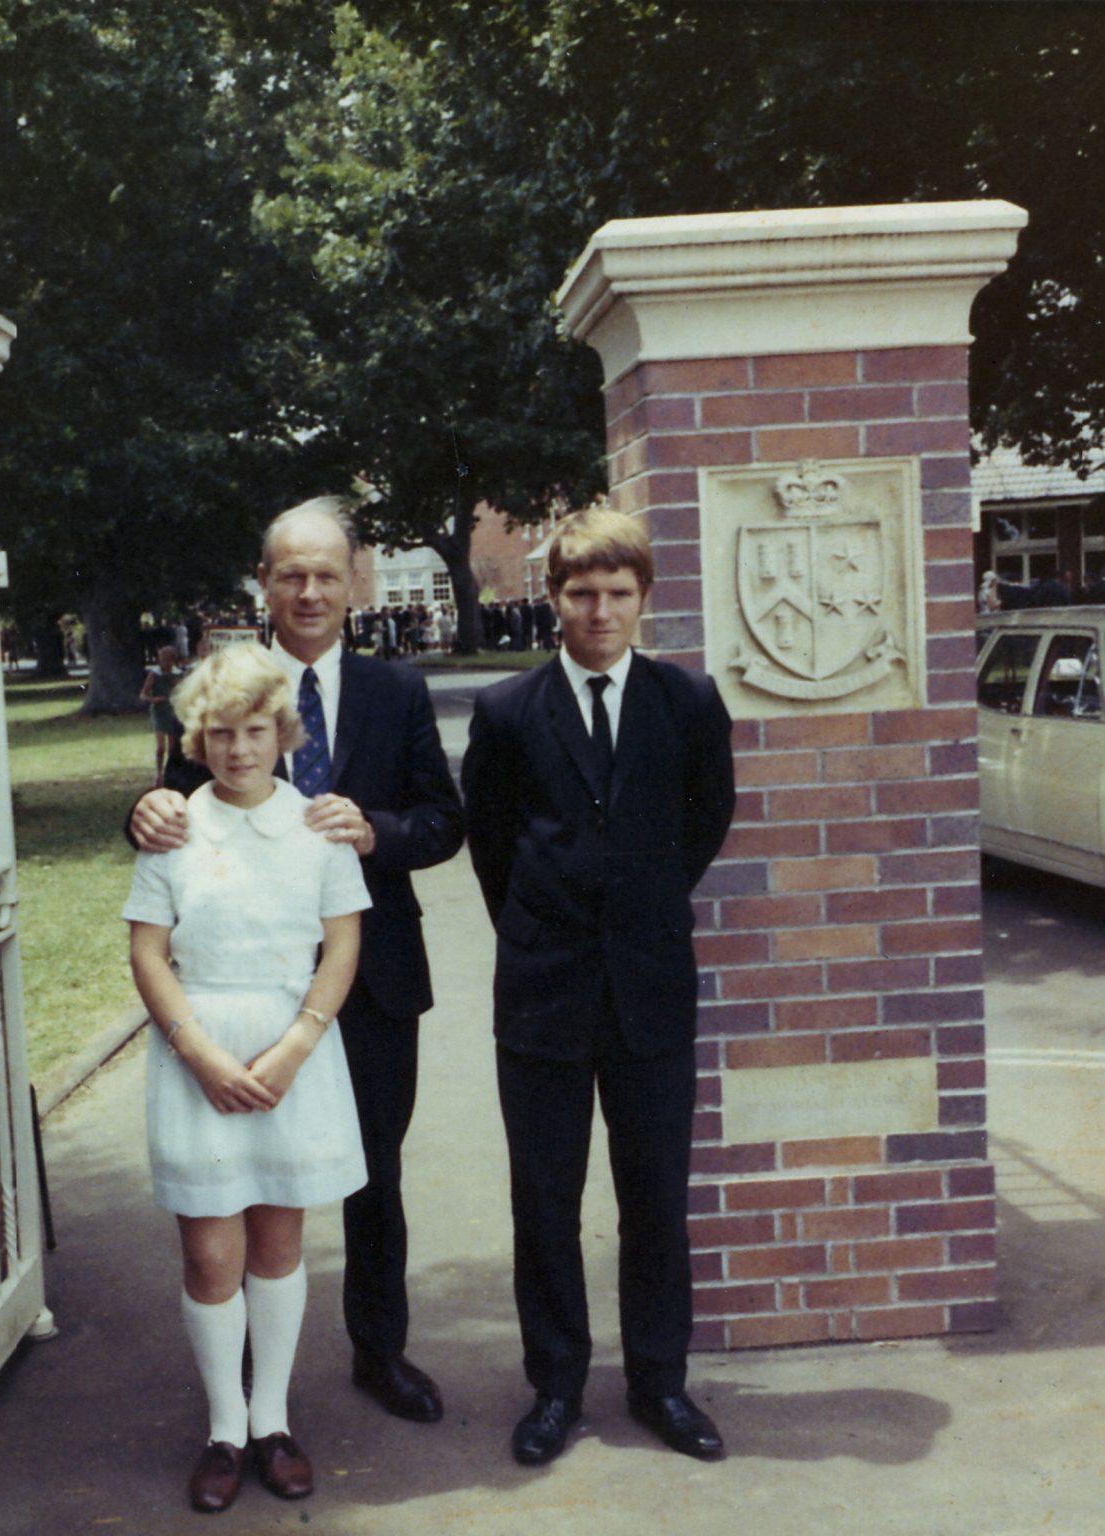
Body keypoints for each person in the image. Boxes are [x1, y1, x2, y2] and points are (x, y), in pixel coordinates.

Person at [130, 497, 465, 1425]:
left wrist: (377, 831)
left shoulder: (395, 690)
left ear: (352, 582)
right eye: (290, 574)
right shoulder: (228, 691)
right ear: (265, 583)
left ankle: (380, 1352)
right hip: (241, 985)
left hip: (372, 969)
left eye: (326, 573)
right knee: (242, 1181)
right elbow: (172, 807)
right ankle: (239, 1385)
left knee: (371, 1172)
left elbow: (444, 820)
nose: (309, 591)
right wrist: (140, 814)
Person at [461, 506, 736, 1469]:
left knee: (656, 1193)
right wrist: (546, 926)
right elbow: (491, 844)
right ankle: (557, 1386)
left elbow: (706, 820)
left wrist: (642, 910)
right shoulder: (506, 712)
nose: (601, 611)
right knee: (545, 1196)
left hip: (651, 986)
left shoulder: (688, 703)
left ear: (644, 599)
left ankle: (661, 1381)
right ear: (554, 601)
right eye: (582, 593)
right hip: (542, 990)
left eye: (620, 594)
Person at [123, 643, 371, 1513]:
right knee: (210, 1248)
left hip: (291, 1052)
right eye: (220, 734)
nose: (238, 750)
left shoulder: (317, 826)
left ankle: (272, 1418)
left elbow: (341, 942)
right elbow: (149, 952)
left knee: (278, 1238)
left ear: (284, 733)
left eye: (255, 731)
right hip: (201, 1053)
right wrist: (198, 1051)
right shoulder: (174, 828)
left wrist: (298, 1044)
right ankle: (223, 1426)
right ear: (197, 738)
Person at [140, 644, 185, 786]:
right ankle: (158, 773)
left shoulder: (178, 674)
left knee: (173, 749)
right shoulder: (154, 674)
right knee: (161, 747)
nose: (164, 663)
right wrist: (154, 699)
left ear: (173, 660)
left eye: (168, 660)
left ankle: (169, 774)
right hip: (159, 712)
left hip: (172, 712)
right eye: (162, 659)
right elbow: (143, 695)